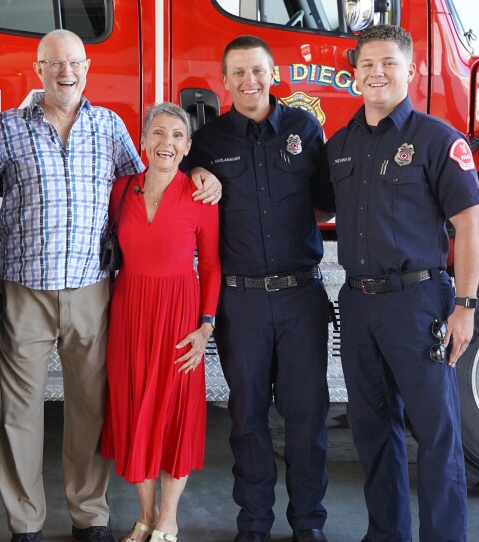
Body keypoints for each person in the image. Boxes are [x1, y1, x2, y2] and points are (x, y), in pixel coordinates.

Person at [0, 29, 218, 542]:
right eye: (54, 64)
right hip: (26, 288)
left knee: (89, 408)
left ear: (87, 68)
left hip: (93, 290)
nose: (65, 72)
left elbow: (152, 182)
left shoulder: (110, 127)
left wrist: (202, 172)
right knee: (18, 413)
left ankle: (89, 515)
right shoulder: (6, 129)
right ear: (38, 68)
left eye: (73, 63)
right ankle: (25, 524)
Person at [326, 25, 478, 542]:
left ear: (410, 70)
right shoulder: (340, 143)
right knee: (372, 430)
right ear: (354, 75)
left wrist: (466, 305)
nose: (377, 73)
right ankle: (386, 534)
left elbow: (469, 224)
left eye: (389, 63)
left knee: (437, 435)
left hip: (419, 303)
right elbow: (317, 205)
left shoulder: (438, 140)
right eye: (367, 64)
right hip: (359, 302)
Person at [184, 36, 335, 542]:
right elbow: (182, 205)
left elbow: (325, 207)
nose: (250, 81)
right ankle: (253, 524)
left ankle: (308, 524)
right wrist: (198, 173)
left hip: (300, 297)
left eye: (258, 71)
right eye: (238, 73)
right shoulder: (206, 143)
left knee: (306, 416)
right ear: (223, 81)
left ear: (273, 74)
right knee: (246, 417)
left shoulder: (304, 129)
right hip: (240, 302)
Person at [100, 102, 221, 542]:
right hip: (129, 312)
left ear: (188, 146)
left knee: (174, 418)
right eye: (157, 133)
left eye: (176, 136)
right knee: (134, 413)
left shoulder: (201, 195)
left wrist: (206, 324)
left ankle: (168, 519)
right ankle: (146, 515)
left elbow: (210, 267)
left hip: (179, 317)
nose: (165, 143)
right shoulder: (121, 190)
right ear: (143, 140)